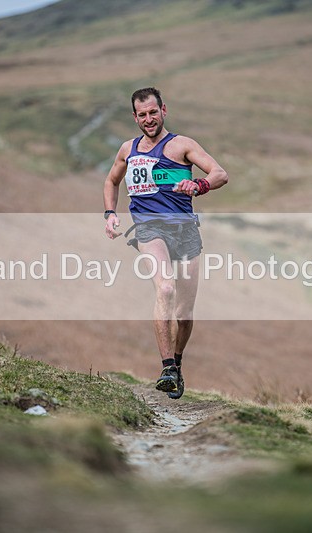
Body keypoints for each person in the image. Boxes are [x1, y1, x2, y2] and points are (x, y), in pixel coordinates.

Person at [103, 87, 228, 399]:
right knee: (166, 289)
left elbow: (220, 173)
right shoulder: (128, 149)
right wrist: (110, 213)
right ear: (135, 117)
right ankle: (167, 367)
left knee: (184, 313)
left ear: (163, 111)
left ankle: (178, 363)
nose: (148, 119)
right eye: (142, 115)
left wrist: (198, 184)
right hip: (149, 229)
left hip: (185, 232)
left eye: (153, 112)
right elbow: (111, 181)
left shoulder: (181, 145)